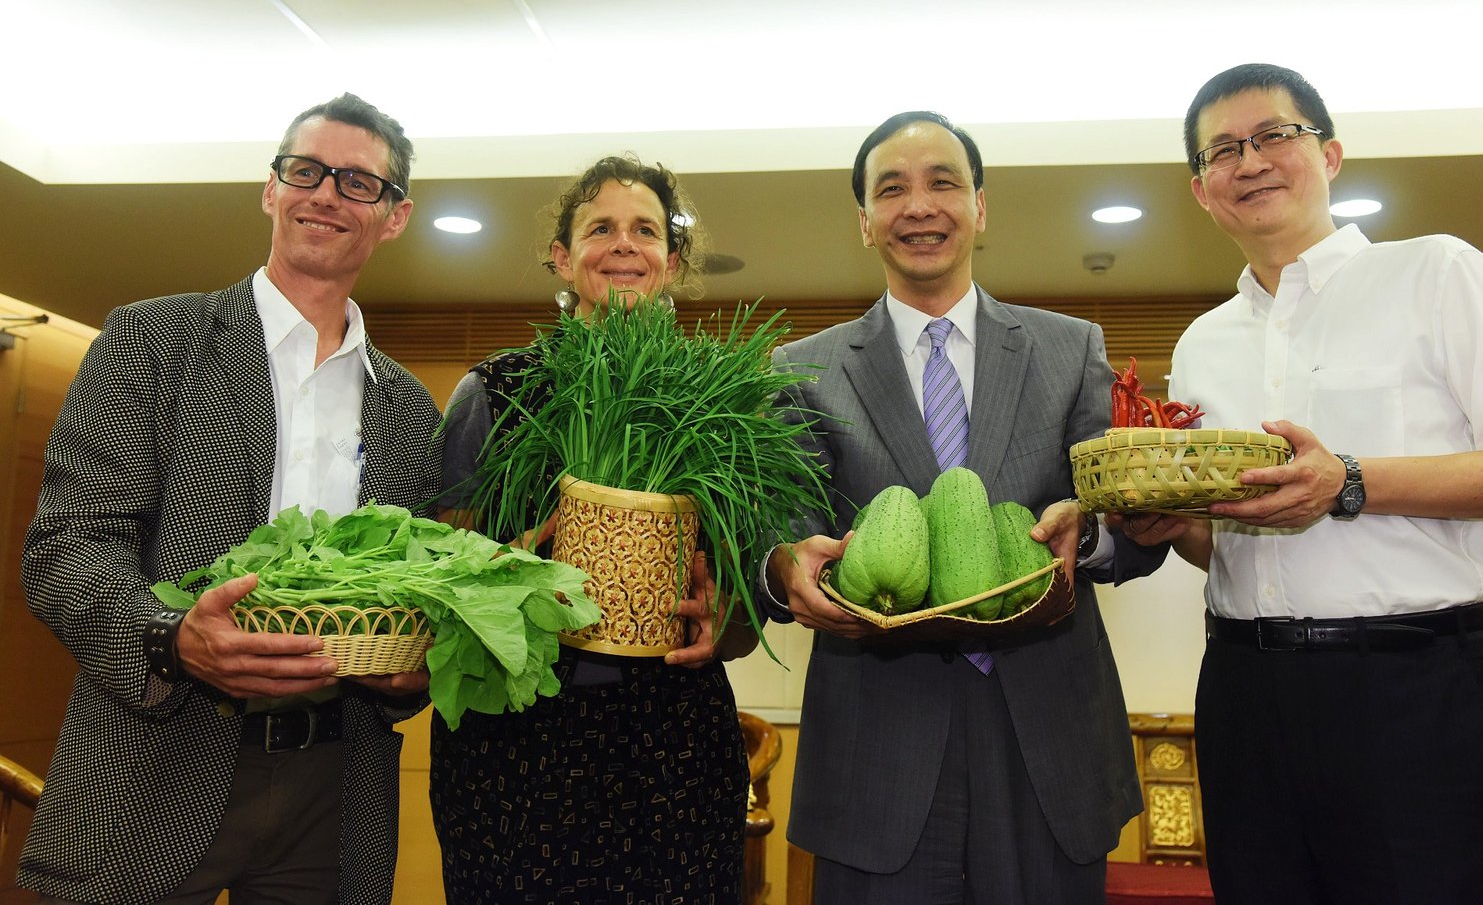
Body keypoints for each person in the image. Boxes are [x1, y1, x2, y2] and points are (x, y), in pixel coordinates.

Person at [1127, 62, 1483, 904]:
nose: (1251, 160)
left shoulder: (1438, 274)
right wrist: (1177, 529)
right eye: (1223, 150)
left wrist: (1349, 480)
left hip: (1416, 691)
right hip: (1243, 692)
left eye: (1275, 135)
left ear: (1330, 154)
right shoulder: (1203, 342)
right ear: (1201, 190)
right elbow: (1236, 544)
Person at [18, 93, 442, 904]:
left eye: (357, 183)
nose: (325, 194)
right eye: (305, 171)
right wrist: (171, 639)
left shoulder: (409, 408)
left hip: (336, 785)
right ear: (270, 189)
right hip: (151, 761)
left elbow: (412, 596)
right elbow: (67, 549)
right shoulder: (152, 341)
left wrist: (413, 667)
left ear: (394, 217)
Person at [759, 111, 1168, 903]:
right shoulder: (801, 369)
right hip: (877, 747)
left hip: (1048, 738)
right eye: (892, 189)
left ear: (981, 207)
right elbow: (777, 526)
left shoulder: (1070, 348)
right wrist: (784, 568)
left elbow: (1131, 521)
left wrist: (1090, 540)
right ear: (865, 223)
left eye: (943, 182)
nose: (920, 205)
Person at [429, 154, 756, 903]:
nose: (622, 244)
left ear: (671, 263)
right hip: (517, 748)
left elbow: (739, 616)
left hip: (674, 748)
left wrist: (722, 620)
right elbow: (442, 570)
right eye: (599, 227)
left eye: (644, 230)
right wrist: (501, 575)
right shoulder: (495, 389)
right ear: (562, 256)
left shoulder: (720, 399)